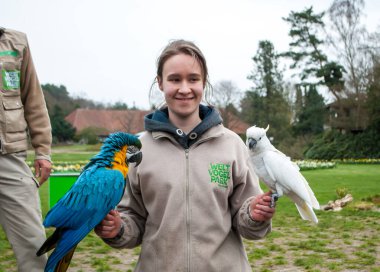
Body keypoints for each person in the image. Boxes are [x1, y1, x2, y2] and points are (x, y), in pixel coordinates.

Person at [95, 39, 275, 271]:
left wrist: (253, 213)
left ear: (204, 82)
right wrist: (118, 228)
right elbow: (132, 219)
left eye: (193, 79)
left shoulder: (232, 145)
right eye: (174, 79)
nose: (184, 88)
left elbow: (245, 219)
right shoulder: (138, 152)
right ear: (160, 83)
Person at [0, 27, 52, 271]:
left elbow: (33, 99)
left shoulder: (16, 43)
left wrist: (43, 150)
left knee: (35, 247)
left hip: (9, 159)